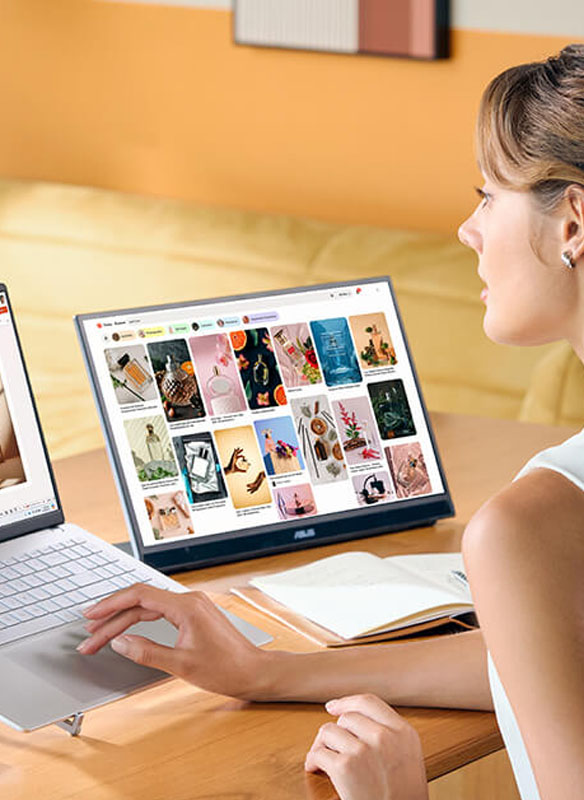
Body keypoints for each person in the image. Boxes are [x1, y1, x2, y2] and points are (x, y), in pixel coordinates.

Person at [77, 45, 584, 800]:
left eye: (488, 196)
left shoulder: (530, 527)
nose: (468, 230)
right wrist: (269, 672)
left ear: (573, 221)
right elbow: (543, 661)